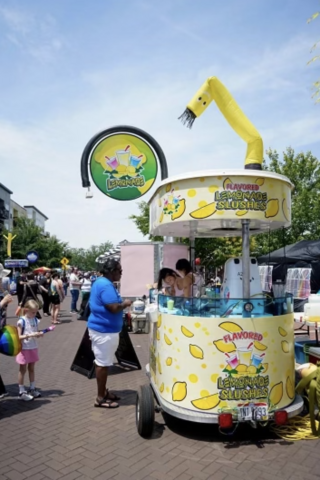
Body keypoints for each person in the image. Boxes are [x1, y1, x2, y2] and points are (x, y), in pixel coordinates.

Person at [88, 258, 132, 409]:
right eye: (120, 271)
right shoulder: (106, 286)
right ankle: (100, 398)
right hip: (104, 331)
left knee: (104, 362)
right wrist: (125, 304)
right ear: (112, 272)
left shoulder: (101, 282)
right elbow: (113, 307)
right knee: (103, 364)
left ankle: (103, 392)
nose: (121, 274)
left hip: (103, 329)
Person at [16, 299, 43, 401]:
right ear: (26, 310)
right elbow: (19, 337)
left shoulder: (35, 320)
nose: (35, 314)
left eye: (36, 312)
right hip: (24, 348)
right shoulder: (21, 321)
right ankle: (21, 391)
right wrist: (32, 334)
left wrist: (39, 334)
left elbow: (35, 331)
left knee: (31, 368)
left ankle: (32, 388)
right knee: (22, 369)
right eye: (33, 312)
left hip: (33, 347)